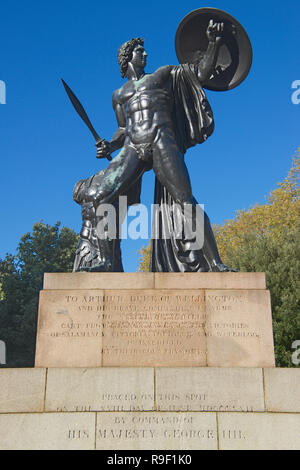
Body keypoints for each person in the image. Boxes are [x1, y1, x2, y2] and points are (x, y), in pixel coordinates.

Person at [94, 20, 233, 272]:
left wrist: (213, 42)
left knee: (186, 201)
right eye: (139, 51)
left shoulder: (163, 74)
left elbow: (201, 74)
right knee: (103, 197)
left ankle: (215, 263)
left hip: (161, 140)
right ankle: (105, 260)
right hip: (133, 146)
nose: (145, 54)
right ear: (127, 58)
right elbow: (122, 129)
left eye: (144, 51)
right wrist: (109, 144)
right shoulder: (118, 94)